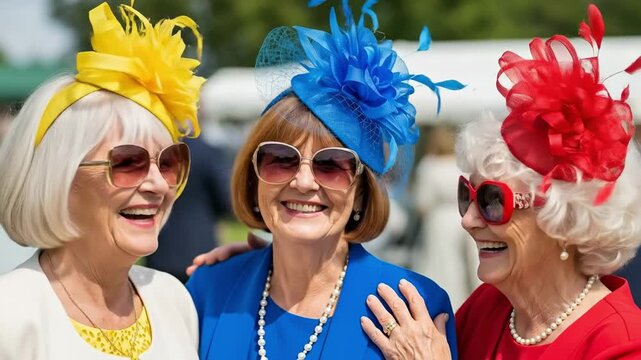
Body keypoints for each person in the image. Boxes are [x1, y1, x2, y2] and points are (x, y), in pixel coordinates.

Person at [360, 4, 641, 359]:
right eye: (467, 194)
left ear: (565, 220)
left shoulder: (621, 342)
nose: (468, 219)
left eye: (493, 201)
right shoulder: (489, 308)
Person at [185, 1, 463, 359]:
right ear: (254, 178)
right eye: (280, 160)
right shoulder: (209, 291)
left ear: (362, 193)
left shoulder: (415, 308)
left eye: (331, 165)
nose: (303, 181)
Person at [0, 3, 205, 359]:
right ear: (58, 178)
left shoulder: (172, 299)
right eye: (128, 162)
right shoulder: (12, 312)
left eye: (169, 161)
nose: (158, 185)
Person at [147, 136, 232, 283]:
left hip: (161, 248)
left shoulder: (157, 150)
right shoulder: (207, 152)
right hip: (199, 247)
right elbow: (224, 199)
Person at [412, 125, 479, 309]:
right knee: (460, 264)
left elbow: (422, 201)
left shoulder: (429, 165)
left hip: (439, 219)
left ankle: (433, 299)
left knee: (437, 262)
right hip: (460, 215)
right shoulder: (459, 165)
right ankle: (460, 301)